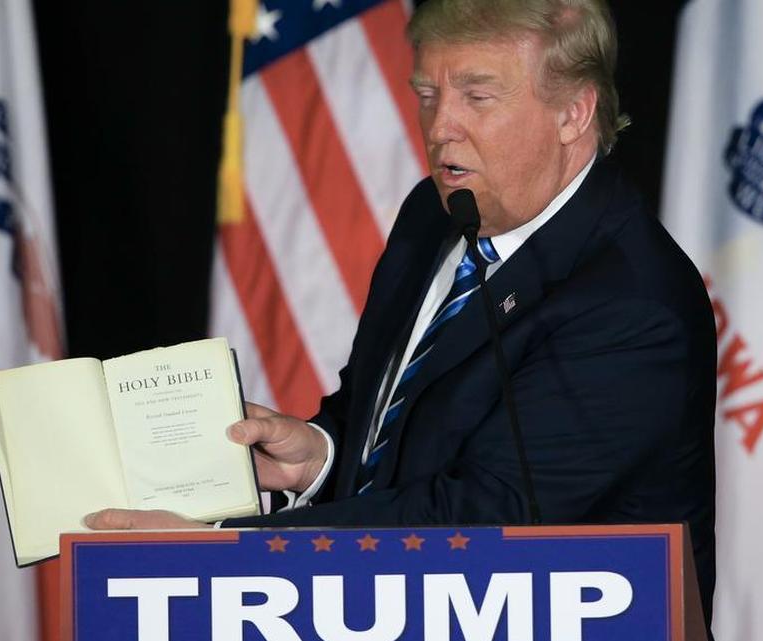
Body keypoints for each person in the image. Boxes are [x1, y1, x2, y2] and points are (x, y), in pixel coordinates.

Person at [86, 0, 717, 624]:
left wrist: (230, 551)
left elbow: (482, 517)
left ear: (572, 114)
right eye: (426, 94)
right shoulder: (434, 216)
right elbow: (380, 402)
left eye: (478, 96)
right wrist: (321, 454)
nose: (440, 126)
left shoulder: (632, 306)